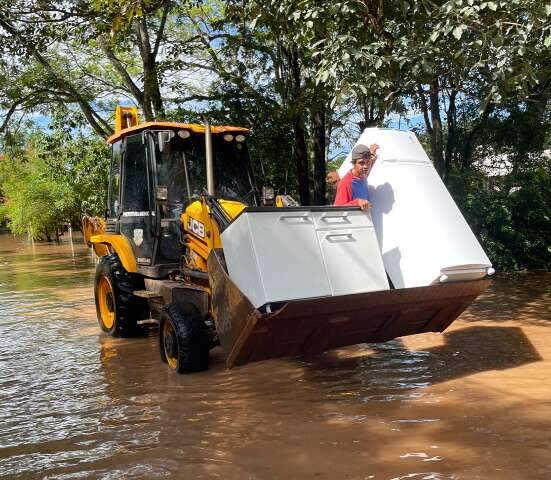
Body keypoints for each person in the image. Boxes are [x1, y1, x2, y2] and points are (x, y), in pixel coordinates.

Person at [333, 143, 379, 210]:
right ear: (353, 163)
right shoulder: (346, 183)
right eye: (361, 163)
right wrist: (357, 202)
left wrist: (372, 154)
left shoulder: (362, 175)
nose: (366, 166)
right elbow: (337, 210)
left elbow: (368, 165)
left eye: (368, 162)